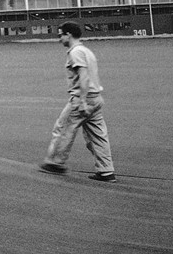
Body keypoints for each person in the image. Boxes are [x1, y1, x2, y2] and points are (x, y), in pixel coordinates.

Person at [38, 21, 116, 183]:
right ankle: (106, 171)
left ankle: (55, 162)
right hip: (96, 99)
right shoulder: (87, 51)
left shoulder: (75, 52)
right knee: (98, 136)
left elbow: (84, 77)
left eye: (61, 35)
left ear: (69, 34)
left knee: (63, 129)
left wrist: (81, 102)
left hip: (83, 98)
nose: (59, 39)